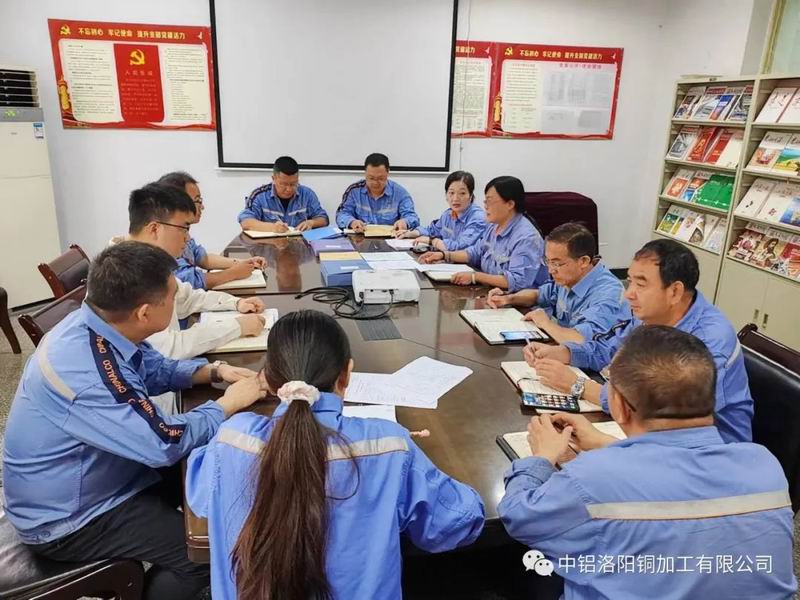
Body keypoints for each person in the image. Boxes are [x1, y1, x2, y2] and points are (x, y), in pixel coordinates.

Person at [2, 242, 268, 600]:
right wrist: (225, 406)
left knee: (210, 465)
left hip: (96, 473)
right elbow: (163, 442)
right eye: (172, 296)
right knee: (204, 554)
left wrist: (212, 371)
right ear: (144, 313)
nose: (177, 301)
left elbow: (150, 368)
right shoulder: (86, 370)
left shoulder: (96, 324)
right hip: (67, 518)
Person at [186, 310, 485, 600]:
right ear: (347, 374)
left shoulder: (230, 440)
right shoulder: (390, 446)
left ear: (270, 381)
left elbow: (200, 498)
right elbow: (458, 523)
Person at [499, 326, 795, 599]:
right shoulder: (766, 466)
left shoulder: (592, 479)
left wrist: (542, 456)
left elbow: (519, 518)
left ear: (619, 405)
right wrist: (604, 442)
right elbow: (680, 483)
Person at [525, 239, 753, 443]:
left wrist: (579, 386)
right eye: (630, 281)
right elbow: (608, 348)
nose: (628, 293)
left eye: (641, 285)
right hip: (650, 433)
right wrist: (565, 352)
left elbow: (663, 414)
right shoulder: (648, 313)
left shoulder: (709, 341)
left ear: (675, 292)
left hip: (707, 452)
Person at [113, 183, 266, 413]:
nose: (188, 239)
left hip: (169, 386)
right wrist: (237, 326)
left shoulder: (148, 264)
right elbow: (169, 348)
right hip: (155, 408)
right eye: (183, 228)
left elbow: (187, 297)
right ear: (154, 228)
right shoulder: (125, 278)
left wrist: (235, 303)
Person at [486, 222, 626, 343]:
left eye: (556, 263)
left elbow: (582, 340)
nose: (551, 270)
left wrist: (545, 323)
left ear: (583, 261)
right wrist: (508, 298)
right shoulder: (569, 278)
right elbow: (539, 294)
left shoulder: (608, 293)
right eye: (548, 261)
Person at [418, 176, 545, 291]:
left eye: (490, 201)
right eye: (485, 201)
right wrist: (444, 255)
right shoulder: (494, 226)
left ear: (510, 204)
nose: (485, 206)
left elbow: (517, 281)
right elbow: (475, 252)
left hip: (517, 303)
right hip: (490, 292)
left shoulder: (526, 238)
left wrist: (475, 276)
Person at [158, 171, 266, 290]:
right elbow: (189, 282)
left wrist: (243, 263)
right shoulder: (166, 236)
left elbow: (204, 259)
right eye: (198, 201)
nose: (202, 206)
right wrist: (233, 273)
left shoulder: (183, 231)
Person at [396, 170, 486, 251]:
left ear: (470, 196)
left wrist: (432, 241)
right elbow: (432, 230)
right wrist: (411, 233)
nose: (455, 198)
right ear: (446, 195)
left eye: (462, 193)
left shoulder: (478, 218)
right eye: (451, 193)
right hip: (448, 259)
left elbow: (460, 246)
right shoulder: (448, 214)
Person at [238, 156, 329, 233]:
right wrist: (273, 228)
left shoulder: (307, 194)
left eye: (293, 184)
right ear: (273, 179)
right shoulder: (259, 196)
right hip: (268, 245)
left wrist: (311, 223)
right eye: (283, 184)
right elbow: (245, 222)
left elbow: (324, 219)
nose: (288, 189)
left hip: (300, 244)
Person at [335, 153, 420, 233]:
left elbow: (412, 217)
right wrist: (351, 222)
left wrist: (405, 222)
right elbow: (342, 214)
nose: (375, 183)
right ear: (365, 173)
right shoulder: (354, 191)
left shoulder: (400, 193)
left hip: (390, 240)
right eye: (371, 178)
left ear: (388, 172)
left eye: (380, 178)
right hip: (359, 238)